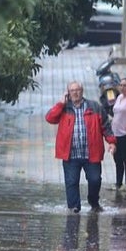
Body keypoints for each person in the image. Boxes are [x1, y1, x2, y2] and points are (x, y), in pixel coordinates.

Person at [46, 81, 115, 213]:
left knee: (95, 180)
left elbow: (106, 126)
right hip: (70, 155)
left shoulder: (94, 106)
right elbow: (50, 118)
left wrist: (111, 142)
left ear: (82, 91)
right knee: (71, 182)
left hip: (91, 153)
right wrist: (61, 103)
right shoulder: (64, 108)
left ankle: (94, 202)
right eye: (72, 91)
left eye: (78, 90)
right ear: (68, 93)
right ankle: (74, 208)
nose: (75, 93)